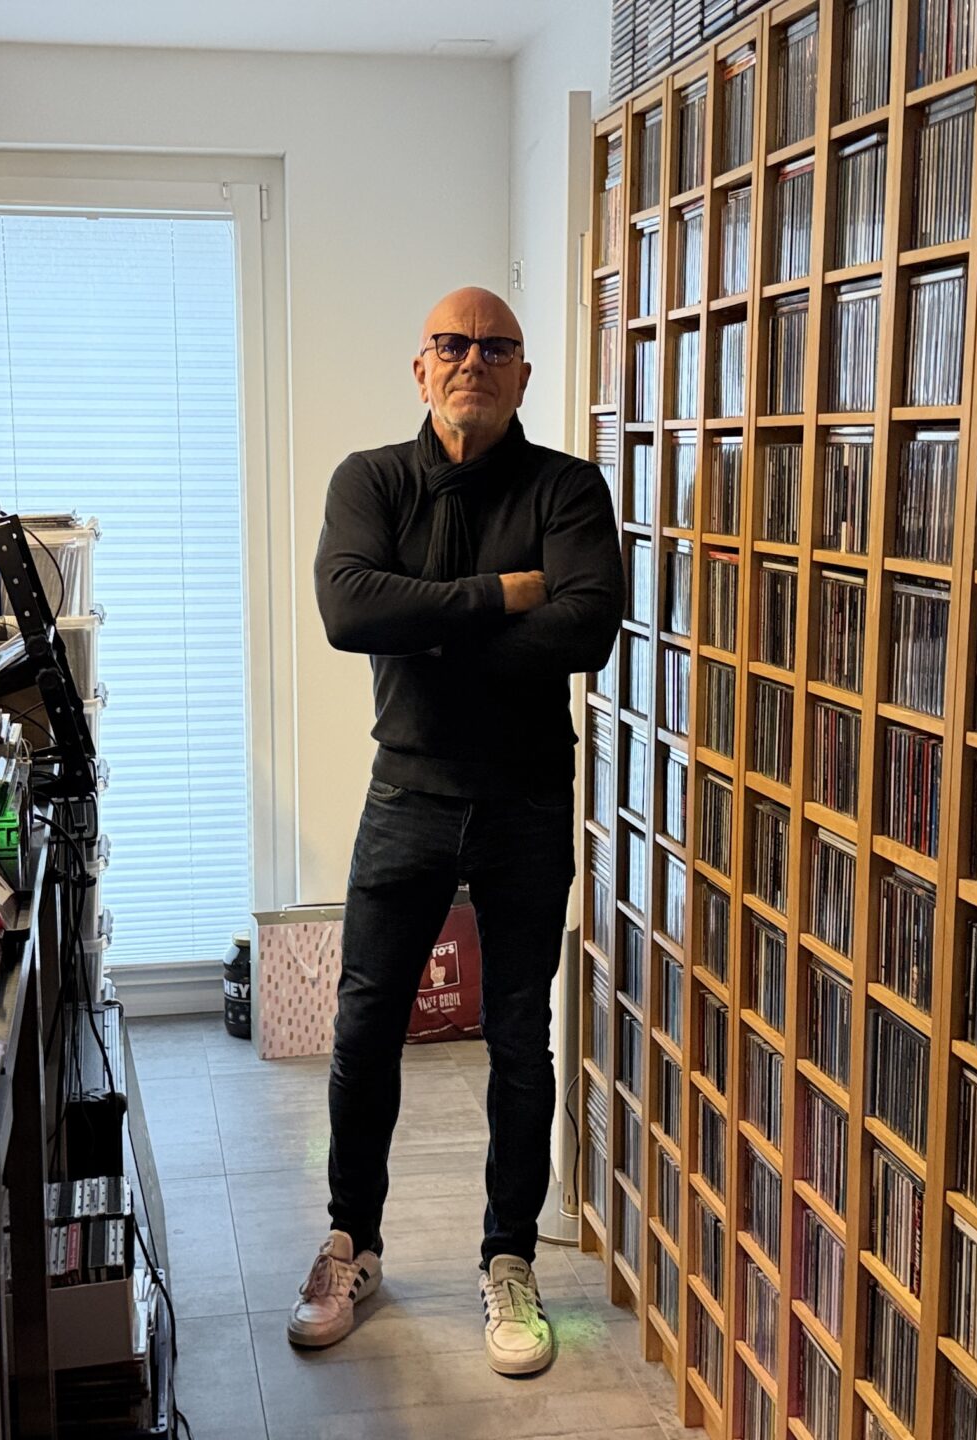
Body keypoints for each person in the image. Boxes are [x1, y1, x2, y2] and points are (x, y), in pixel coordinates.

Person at [293, 286, 622, 1376]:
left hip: (526, 799)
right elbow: (349, 611)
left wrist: (427, 623)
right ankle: (351, 1242)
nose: (471, 360)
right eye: (452, 344)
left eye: (495, 346)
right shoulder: (371, 479)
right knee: (364, 1026)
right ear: (420, 366)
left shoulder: (567, 488)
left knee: (520, 1037)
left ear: (524, 371)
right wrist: (505, 595)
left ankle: (509, 1258)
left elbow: (586, 631)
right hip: (409, 795)